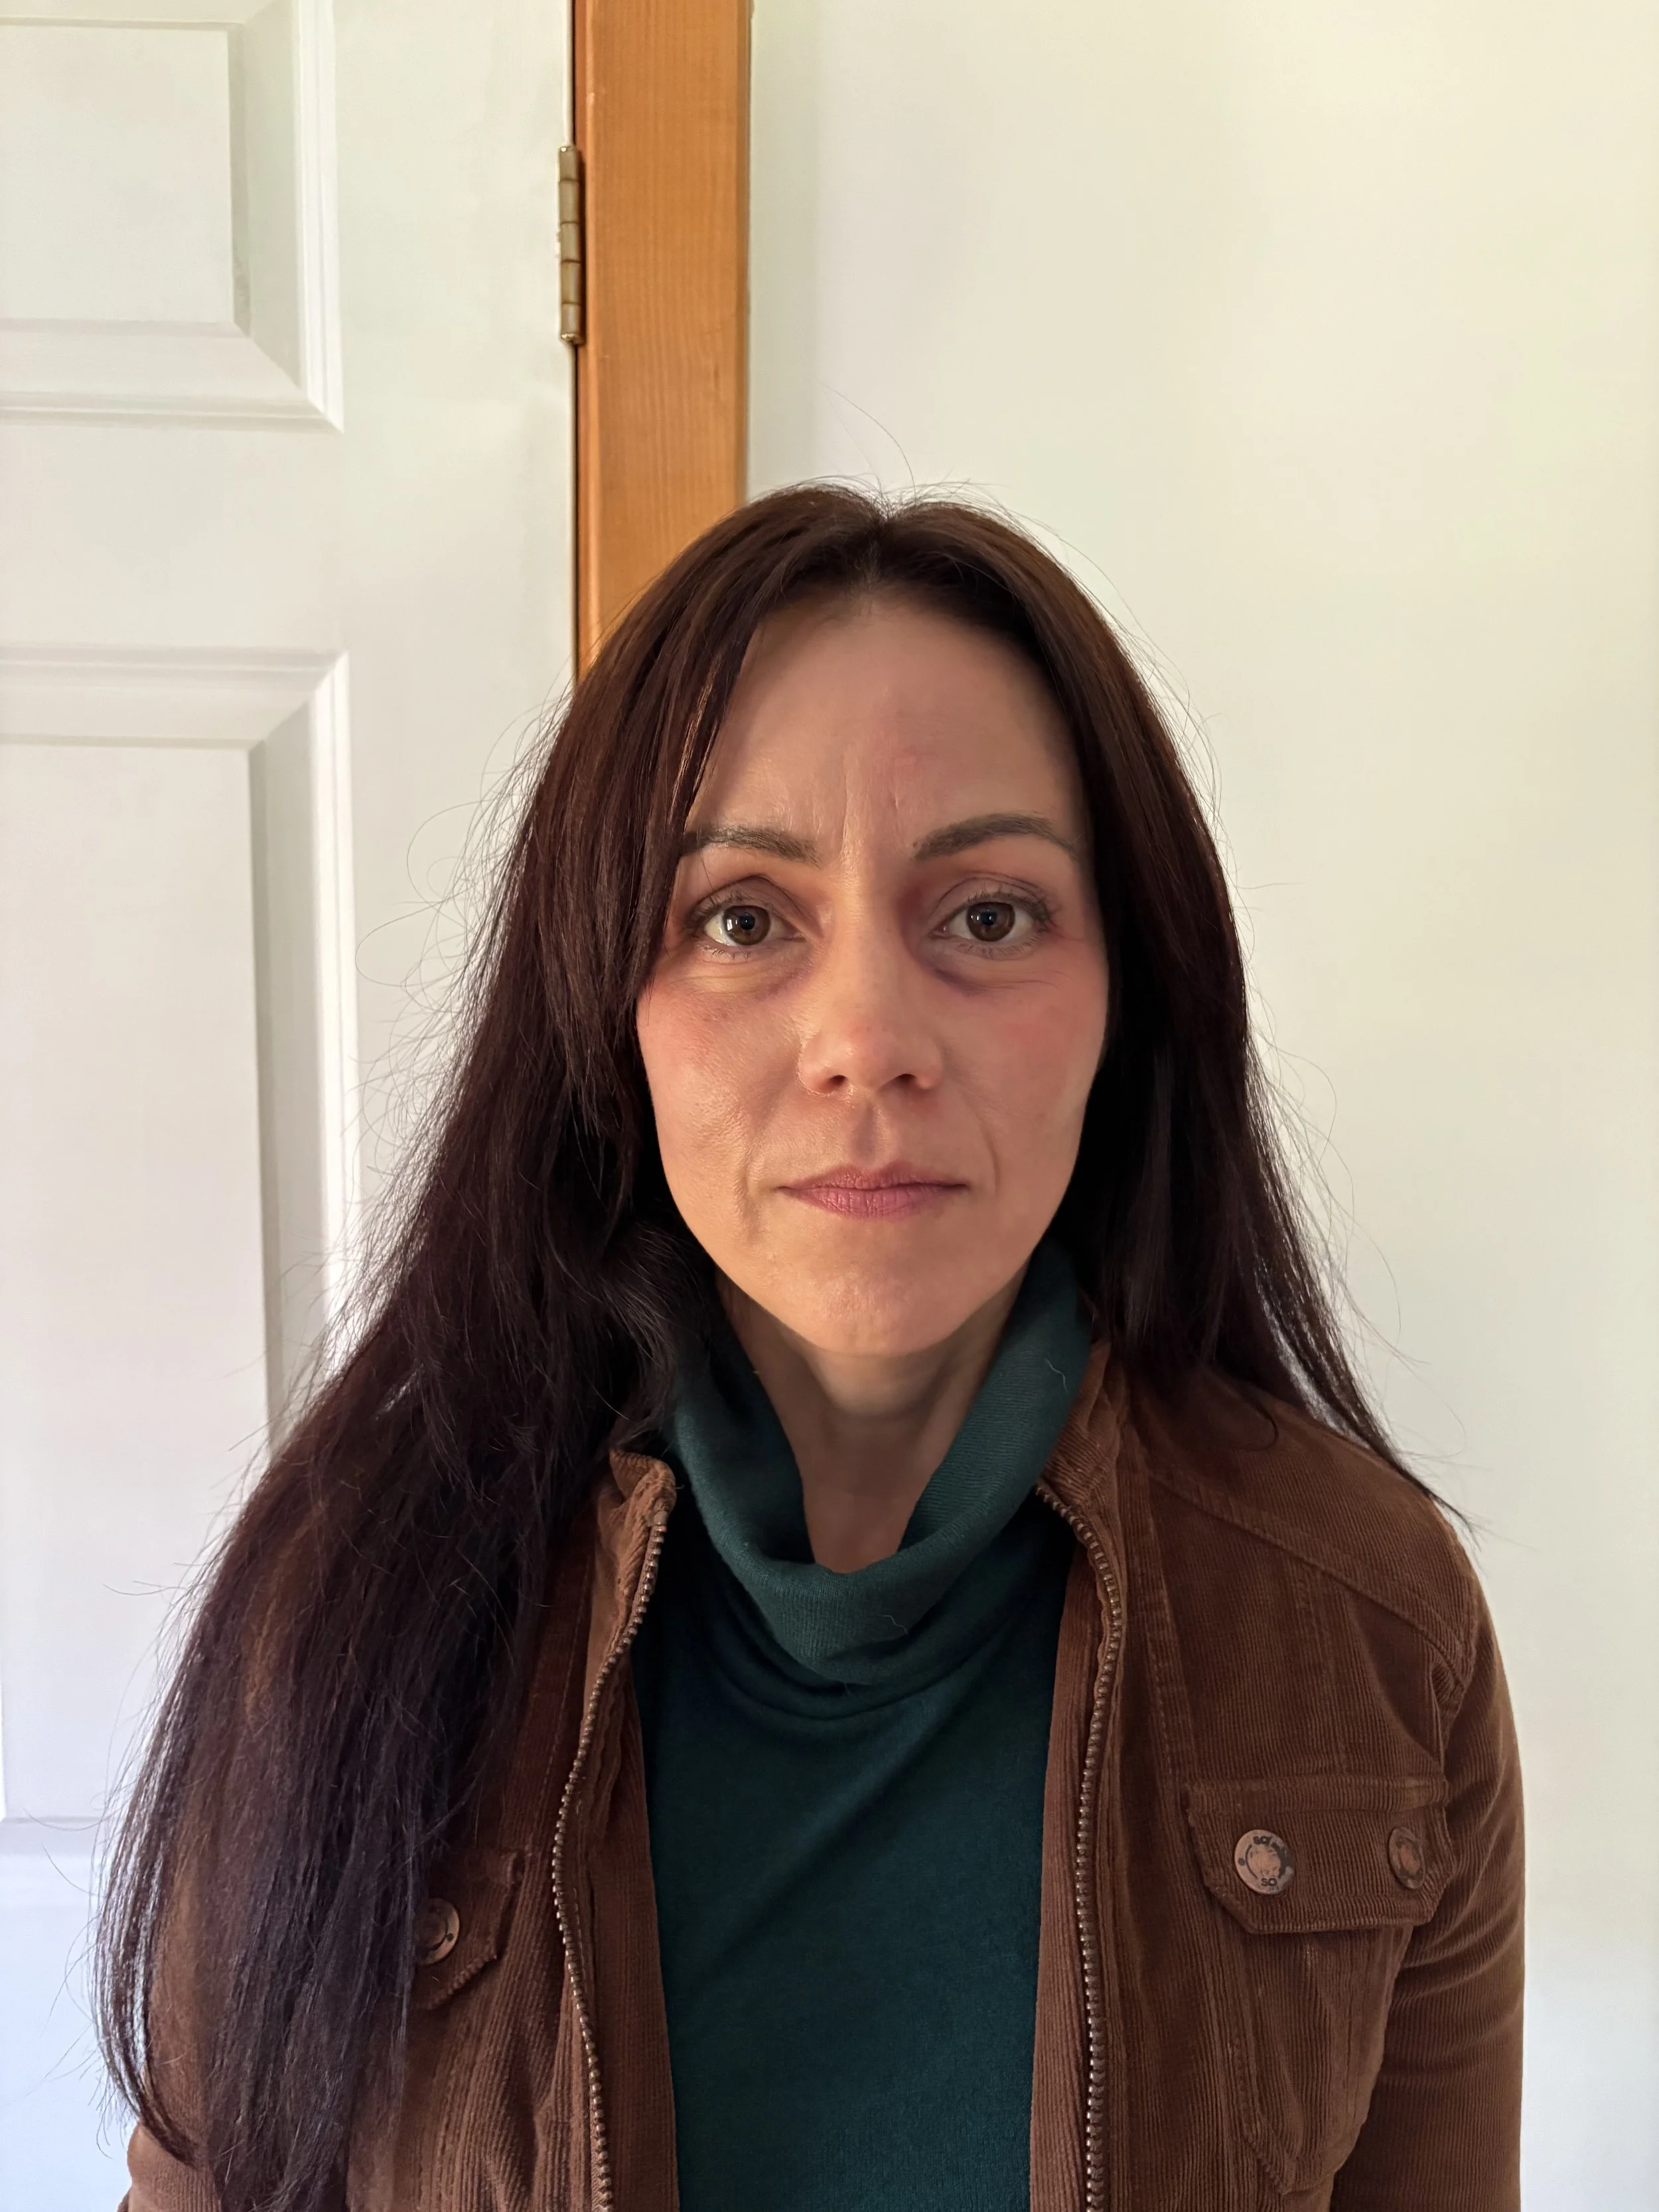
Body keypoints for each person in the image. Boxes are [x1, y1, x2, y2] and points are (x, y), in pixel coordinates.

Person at [102, 485, 1523, 2212]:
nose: (865, 1037)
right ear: (605, 1008)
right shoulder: (348, 1593)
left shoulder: (1372, 1616)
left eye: (988, 914)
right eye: (742, 917)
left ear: (1129, 997)